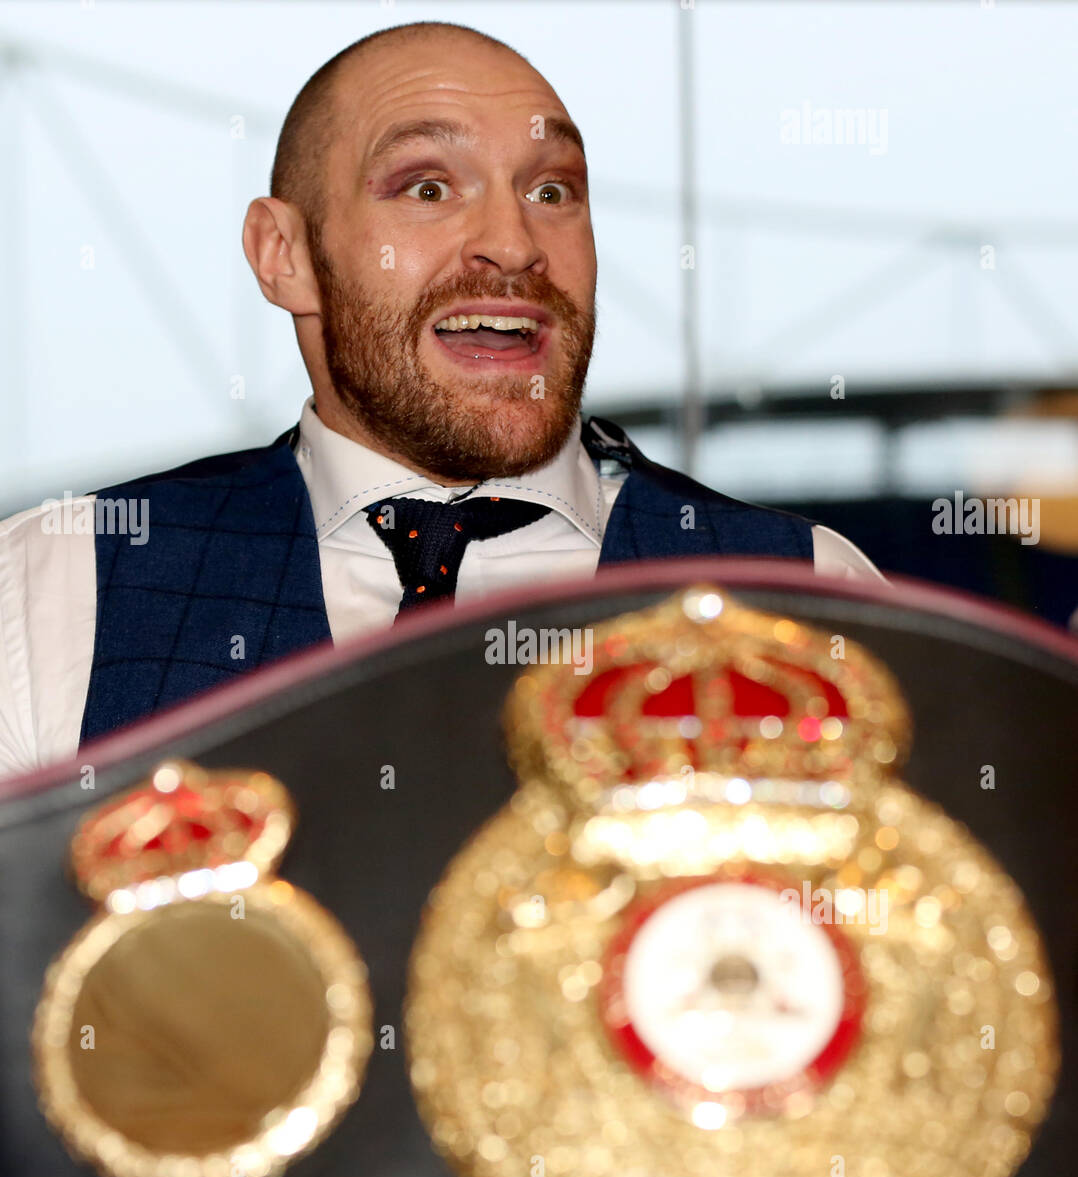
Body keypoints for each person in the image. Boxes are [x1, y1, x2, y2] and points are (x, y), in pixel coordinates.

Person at [0, 20, 880, 779]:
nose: (512, 243)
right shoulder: (47, 594)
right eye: (427, 188)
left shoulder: (811, 599)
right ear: (283, 255)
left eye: (551, 191)